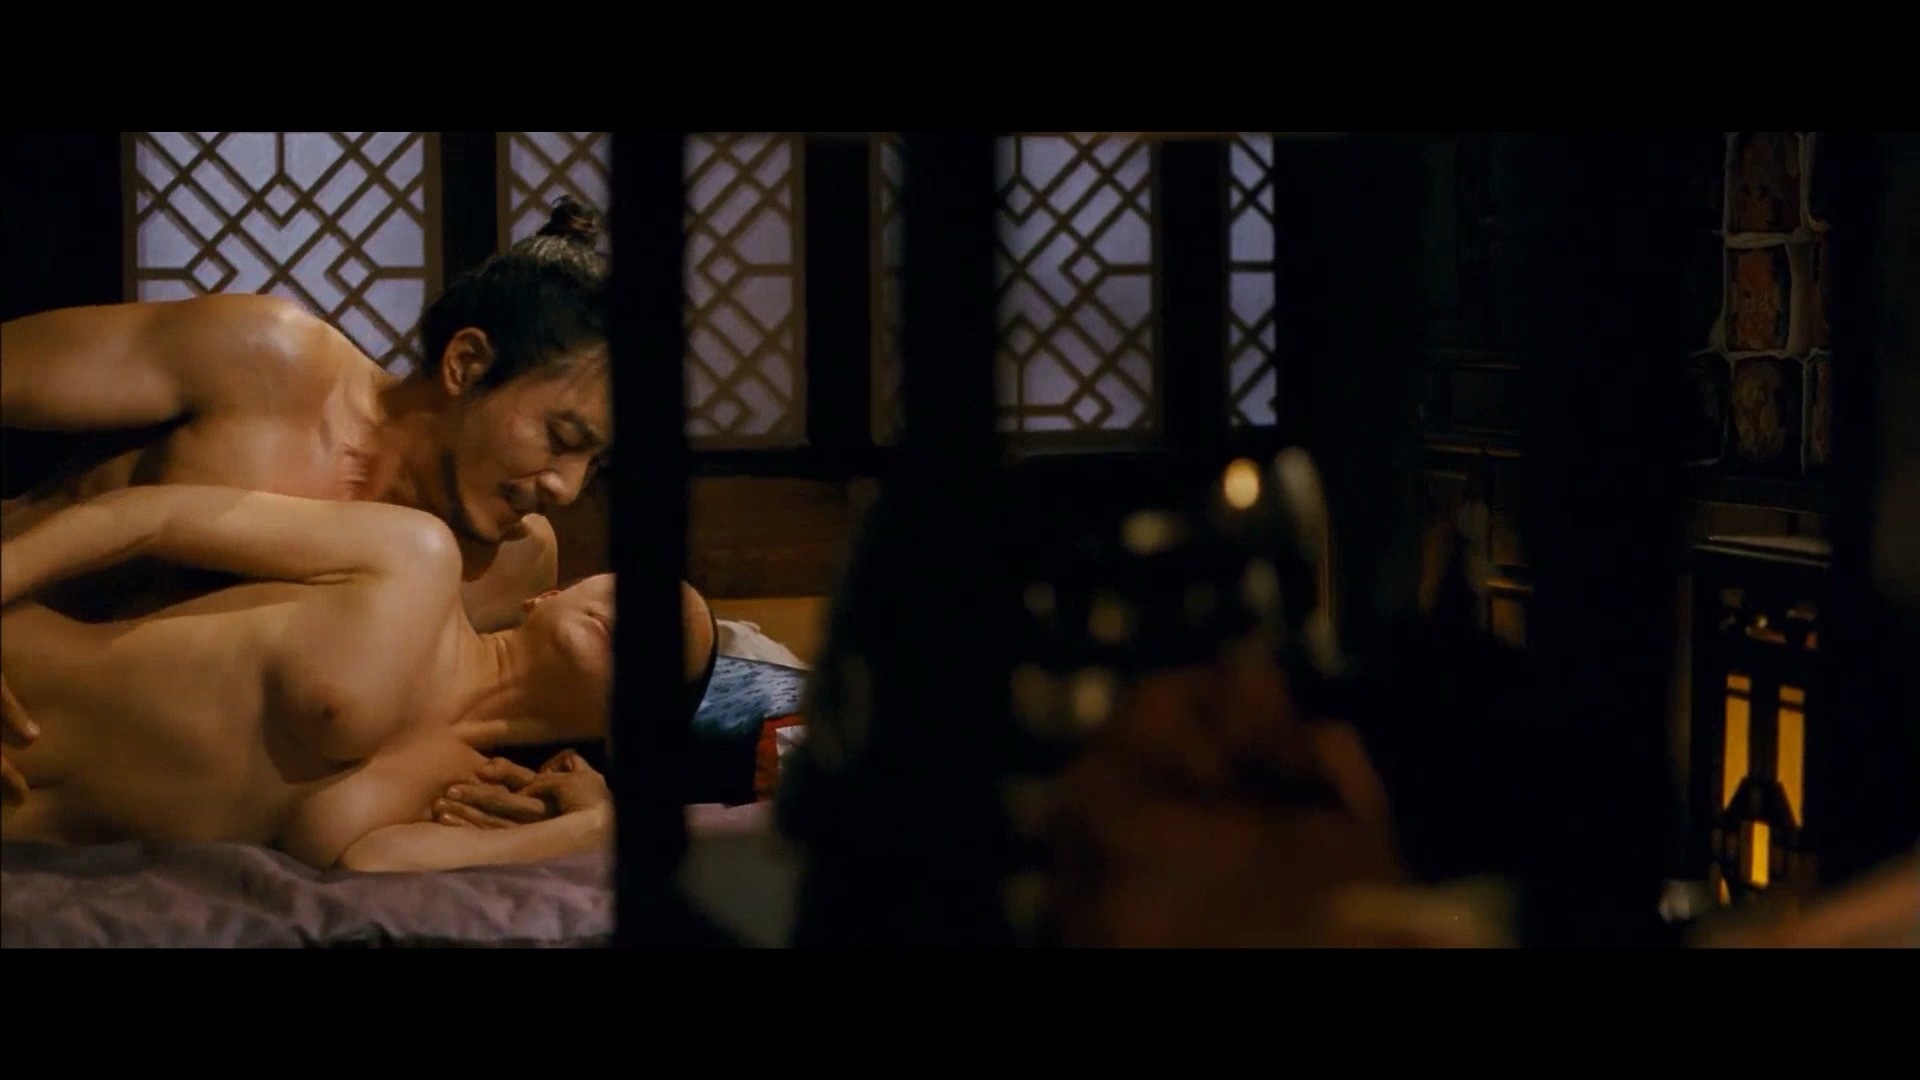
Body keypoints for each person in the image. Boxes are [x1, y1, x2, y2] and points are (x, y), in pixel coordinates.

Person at [0, 196, 617, 798]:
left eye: (592, 465)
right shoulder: (266, 359)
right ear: (466, 363)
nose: (565, 488)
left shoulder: (517, 567)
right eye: (562, 438)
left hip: (77, 786)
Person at [0, 481, 718, 872]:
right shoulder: (414, 558)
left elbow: (373, 867)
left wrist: (593, 827)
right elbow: (157, 516)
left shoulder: (466, 794)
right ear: (547, 595)